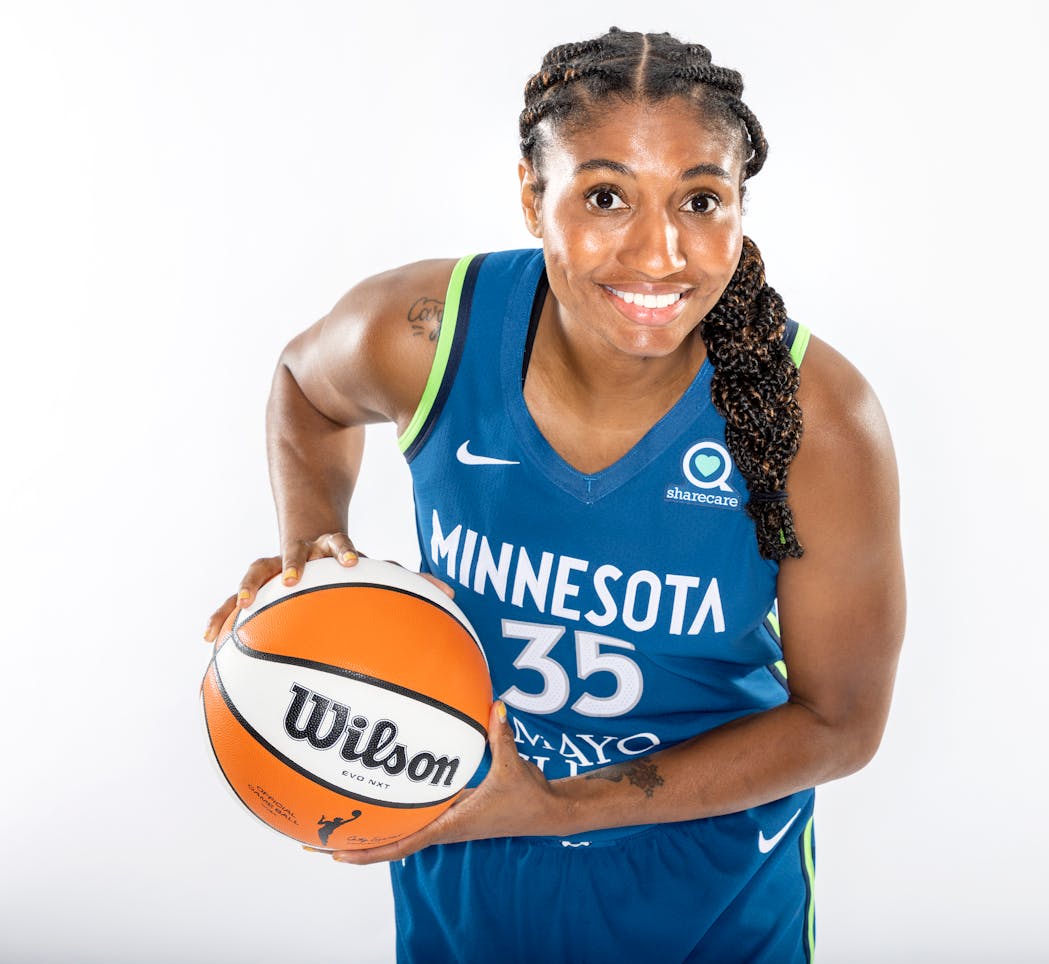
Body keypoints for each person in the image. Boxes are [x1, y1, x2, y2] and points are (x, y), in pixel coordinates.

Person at [204, 27, 905, 963]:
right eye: (606, 196)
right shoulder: (428, 335)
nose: (659, 253)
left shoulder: (813, 415)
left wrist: (558, 804)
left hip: (710, 892)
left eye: (702, 199)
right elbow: (303, 385)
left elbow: (840, 722)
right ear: (533, 196)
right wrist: (313, 548)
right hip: (468, 846)